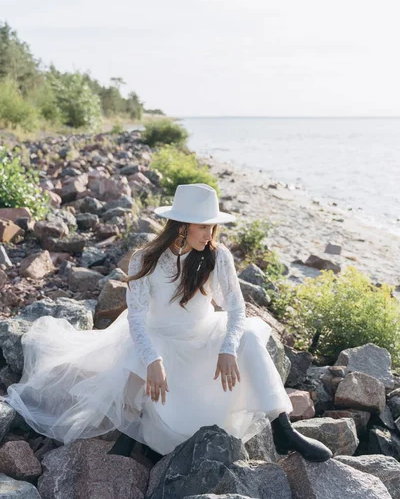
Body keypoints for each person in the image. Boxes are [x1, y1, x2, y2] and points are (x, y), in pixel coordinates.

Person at [1, 183, 332, 462]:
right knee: (137, 352)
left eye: (213, 226)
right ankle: (131, 432)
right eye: (204, 226)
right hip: (160, 339)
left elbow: (236, 307)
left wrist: (228, 347)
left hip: (203, 335)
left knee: (247, 337)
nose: (210, 233)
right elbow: (137, 318)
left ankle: (283, 430)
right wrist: (152, 359)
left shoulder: (218, 256)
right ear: (182, 225)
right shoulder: (147, 258)